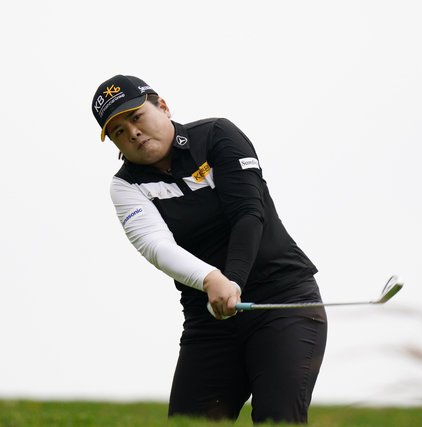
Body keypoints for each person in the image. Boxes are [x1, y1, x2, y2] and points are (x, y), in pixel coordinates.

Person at [91, 75, 327, 424]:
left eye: (137, 117)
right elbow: (156, 246)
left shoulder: (217, 135)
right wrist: (212, 280)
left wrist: (233, 282)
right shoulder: (126, 186)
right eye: (118, 131)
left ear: (163, 107)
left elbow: (248, 213)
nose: (133, 133)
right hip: (210, 319)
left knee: (277, 419)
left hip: (282, 302)